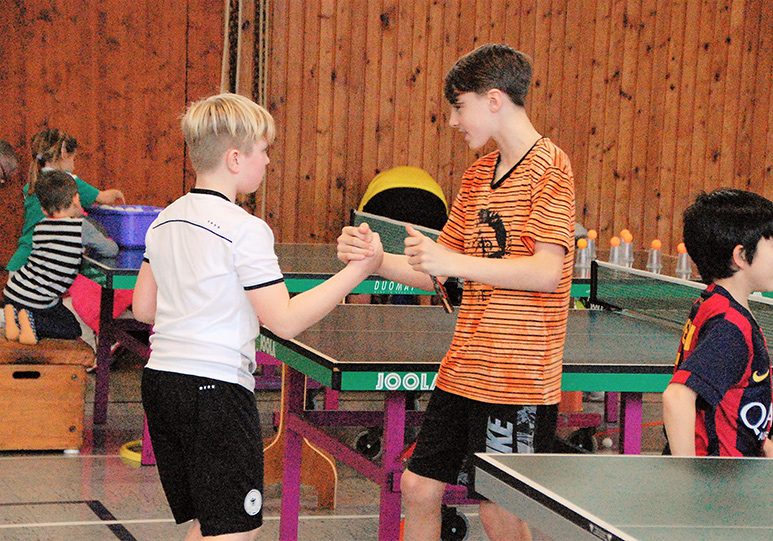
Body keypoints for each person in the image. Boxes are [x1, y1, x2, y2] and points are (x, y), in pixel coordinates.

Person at [338, 44, 575, 541]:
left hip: (516, 378)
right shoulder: (476, 176)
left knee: (499, 512)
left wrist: (454, 263)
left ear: (494, 100)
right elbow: (439, 274)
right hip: (464, 369)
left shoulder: (551, 167)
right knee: (418, 487)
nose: (452, 121)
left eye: (459, 107)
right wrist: (376, 260)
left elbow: (546, 272)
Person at [131, 92, 382, 541]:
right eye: (263, 150)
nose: (267, 160)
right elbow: (283, 321)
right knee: (235, 532)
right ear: (234, 159)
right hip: (215, 393)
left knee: (210, 524)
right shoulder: (245, 229)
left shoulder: (165, 219)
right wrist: (357, 272)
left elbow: (144, 308)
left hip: (161, 384)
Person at [662, 188, 773, 459]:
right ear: (741, 256)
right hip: (717, 475)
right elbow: (677, 398)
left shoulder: (713, 302)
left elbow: (728, 404)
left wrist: (769, 450)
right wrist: (684, 476)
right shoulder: (731, 326)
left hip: (735, 466)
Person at [5, 129, 129, 351]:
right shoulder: (67, 183)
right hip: (38, 272)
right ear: (64, 154)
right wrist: (116, 194)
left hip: (19, 265)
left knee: (37, 315)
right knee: (63, 318)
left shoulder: (34, 184)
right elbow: (103, 198)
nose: (74, 164)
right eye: (74, 158)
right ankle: (95, 350)